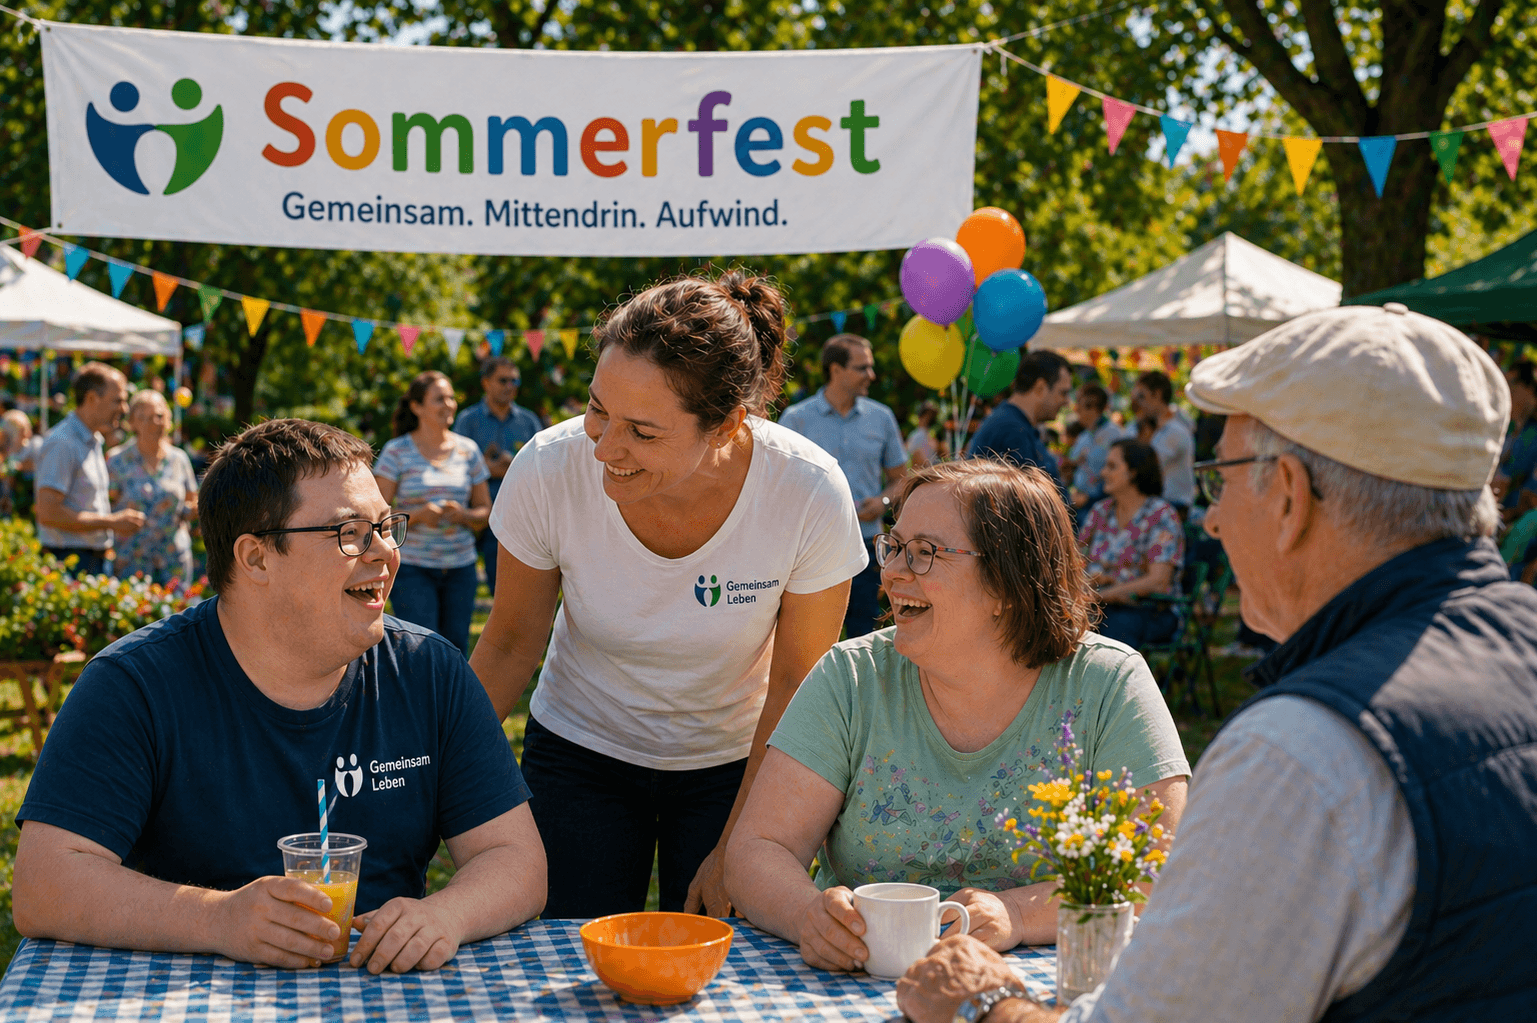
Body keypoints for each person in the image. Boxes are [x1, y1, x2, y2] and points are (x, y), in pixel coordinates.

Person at [894, 303, 1537, 1022]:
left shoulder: (1306, 751)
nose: (1211, 518)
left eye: (1219, 480)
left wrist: (983, 1002)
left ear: (1288, 496)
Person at [12, 419, 546, 973]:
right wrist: (218, 920)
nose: (385, 553)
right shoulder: (134, 685)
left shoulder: (429, 671)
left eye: (386, 527)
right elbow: (44, 881)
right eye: (349, 533)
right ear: (256, 558)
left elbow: (516, 860)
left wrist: (447, 915)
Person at [471, 272, 866, 920]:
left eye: (642, 432)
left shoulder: (807, 491)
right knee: (564, 953)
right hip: (579, 750)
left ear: (728, 423)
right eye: (597, 407)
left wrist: (742, 845)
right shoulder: (549, 467)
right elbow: (510, 643)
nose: (603, 446)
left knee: (730, 970)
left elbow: (796, 682)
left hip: (735, 768)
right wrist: (432, 784)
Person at [725, 459, 1189, 970]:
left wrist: (1018, 912)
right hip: (859, 981)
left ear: (1007, 583)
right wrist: (809, 915)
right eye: (895, 546)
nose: (893, 571)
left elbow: (1154, 867)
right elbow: (756, 852)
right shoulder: (851, 679)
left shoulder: (1108, 685)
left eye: (925, 553)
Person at [779, 333, 908, 638]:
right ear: (836, 370)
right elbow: (778, 486)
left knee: (867, 635)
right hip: (811, 547)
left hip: (866, 547)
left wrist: (884, 502)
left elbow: (900, 479)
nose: (871, 375)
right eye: (862, 367)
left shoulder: (882, 418)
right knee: (810, 637)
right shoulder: (796, 420)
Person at [374, 371, 491, 656]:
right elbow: (376, 515)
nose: (449, 404)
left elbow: (485, 512)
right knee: (418, 651)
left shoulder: (468, 450)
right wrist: (417, 515)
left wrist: (463, 515)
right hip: (413, 568)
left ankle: (450, 703)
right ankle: (417, 701)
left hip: (461, 568)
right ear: (417, 407)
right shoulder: (396, 451)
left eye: (451, 398)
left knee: (455, 651)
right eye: (440, 399)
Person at [33, 362, 144, 577]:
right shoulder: (63, 443)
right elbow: (48, 513)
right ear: (92, 398)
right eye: (118, 400)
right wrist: (112, 522)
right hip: (69, 562)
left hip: (90, 559)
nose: (124, 409)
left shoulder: (91, 440)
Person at [1078, 440, 1184, 649]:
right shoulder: (1100, 511)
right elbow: (1075, 563)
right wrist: (1089, 584)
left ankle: (1113, 681)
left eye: (1112, 466)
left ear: (1134, 472)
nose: (1103, 473)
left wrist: (1105, 594)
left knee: (1111, 627)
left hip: (1149, 609)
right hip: (1096, 604)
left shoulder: (1161, 516)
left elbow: (1158, 581)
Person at [452, 357, 544, 595]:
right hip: (471, 515)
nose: (509, 386)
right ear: (485, 383)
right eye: (503, 380)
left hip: (515, 515)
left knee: (508, 589)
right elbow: (453, 466)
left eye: (514, 380)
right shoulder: (467, 421)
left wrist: (512, 464)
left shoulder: (529, 421)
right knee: (461, 589)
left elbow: (544, 468)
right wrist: (488, 470)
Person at [107, 389, 199, 587]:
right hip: (131, 558)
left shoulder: (179, 459)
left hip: (173, 558)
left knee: (178, 614)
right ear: (131, 422)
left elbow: (192, 499)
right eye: (143, 417)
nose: (153, 422)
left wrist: (192, 510)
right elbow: (106, 505)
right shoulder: (117, 460)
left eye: (158, 416)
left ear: (167, 418)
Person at [966, 351, 1073, 510]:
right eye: (1063, 393)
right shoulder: (1011, 430)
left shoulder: (1013, 424)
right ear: (1040, 387)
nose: (1066, 402)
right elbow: (1030, 509)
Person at [1129, 371, 1195, 513]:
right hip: (1160, 505)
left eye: (1142, 396)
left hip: (1174, 506)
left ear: (1157, 394)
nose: (1138, 404)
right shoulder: (1155, 427)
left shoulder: (1175, 430)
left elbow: (1144, 468)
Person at [1064, 383, 1125, 509]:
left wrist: (1090, 498)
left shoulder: (1115, 435)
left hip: (1102, 503)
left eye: (1079, 405)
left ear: (1093, 407)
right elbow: (1074, 464)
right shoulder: (1084, 436)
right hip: (1079, 502)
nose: (1076, 409)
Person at [1493, 358, 1536, 525]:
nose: (1505, 391)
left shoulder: (1532, 433)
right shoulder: (1509, 427)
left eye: (1511, 384)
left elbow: (1530, 499)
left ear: (1528, 389)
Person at [906, 400, 943, 468]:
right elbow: (914, 458)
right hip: (922, 473)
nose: (928, 418)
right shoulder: (915, 435)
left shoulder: (932, 435)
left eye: (931, 415)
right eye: (926, 415)